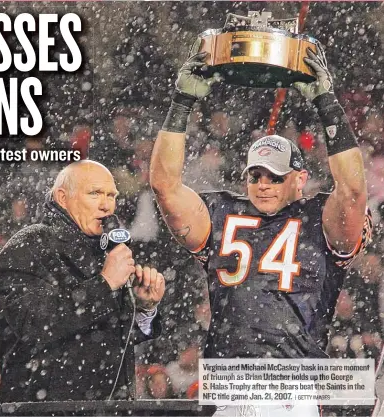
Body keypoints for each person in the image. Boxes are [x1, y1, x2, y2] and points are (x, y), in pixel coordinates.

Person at [150, 48, 372, 416]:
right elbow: (164, 186)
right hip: (228, 390)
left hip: (292, 390)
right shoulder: (223, 212)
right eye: (256, 175)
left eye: (275, 176)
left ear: (300, 180)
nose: (264, 184)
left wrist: (326, 103)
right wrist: (181, 102)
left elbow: (352, 190)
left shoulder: (318, 217)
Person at [0, 160, 165, 403]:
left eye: (111, 195)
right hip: (46, 408)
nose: (107, 205)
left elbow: (111, 339)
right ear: (63, 198)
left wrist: (144, 309)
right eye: (94, 193)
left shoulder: (108, 252)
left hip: (110, 407)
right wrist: (104, 283)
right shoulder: (30, 246)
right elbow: (34, 325)